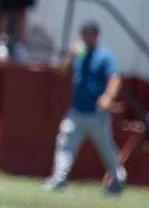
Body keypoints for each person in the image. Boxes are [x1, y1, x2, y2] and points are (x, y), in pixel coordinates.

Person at [43, 22, 127, 194]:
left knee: (106, 148)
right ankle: (59, 178)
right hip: (76, 110)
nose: (86, 38)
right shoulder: (78, 55)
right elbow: (62, 71)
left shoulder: (104, 56)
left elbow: (115, 78)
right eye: (84, 35)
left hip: (97, 113)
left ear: (96, 36)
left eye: (89, 35)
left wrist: (108, 97)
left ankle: (118, 178)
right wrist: (70, 55)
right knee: (65, 144)